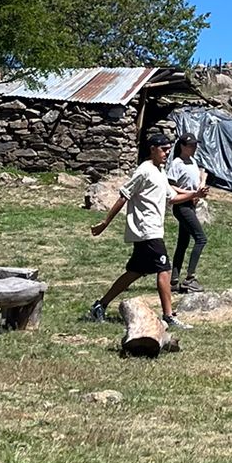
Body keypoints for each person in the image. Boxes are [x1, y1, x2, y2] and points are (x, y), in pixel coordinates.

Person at [87, 131, 206, 328]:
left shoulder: (160, 172)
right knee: (165, 268)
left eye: (169, 149)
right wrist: (105, 222)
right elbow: (124, 195)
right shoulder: (144, 171)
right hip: (145, 229)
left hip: (154, 229)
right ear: (152, 149)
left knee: (134, 272)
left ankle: (100, 305)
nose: (167, 153)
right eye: (163, 150)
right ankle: (169, 316)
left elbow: (172, 197)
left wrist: (196, 193)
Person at [167, 134, 210, 293]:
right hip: (182, 206)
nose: (194, 147)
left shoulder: (193, 161)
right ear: (182, 146)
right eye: (191, 145)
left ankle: (174, 280)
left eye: (195, 145)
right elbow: (171, 186)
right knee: (201, 239)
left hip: (191, 204)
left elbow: (197, 180)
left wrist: (200, 189)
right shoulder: (176, 163)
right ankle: (190, 278)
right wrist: (191, 194)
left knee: (183, 243)